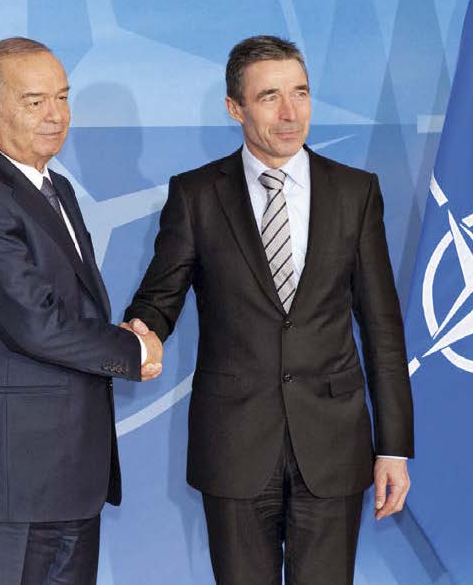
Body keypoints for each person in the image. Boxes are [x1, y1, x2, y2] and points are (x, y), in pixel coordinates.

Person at [124, 35, 414, 584]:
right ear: (234, 108)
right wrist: (140, 334)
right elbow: (159, 299)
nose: (290, 113)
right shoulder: (196, 195)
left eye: (300, 93)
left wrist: (394, 447)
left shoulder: (355, 192)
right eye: (269, 97)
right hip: (234, 445)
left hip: (333, 445)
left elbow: (382, 327)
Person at [0, 36, 163, 585]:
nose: (56, 115)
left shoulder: (55, 189)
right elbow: (36, 324)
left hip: (67, 480)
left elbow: (63, 308)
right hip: (5, 485)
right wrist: (132, 349)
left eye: (62, 97)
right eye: (35, 102)